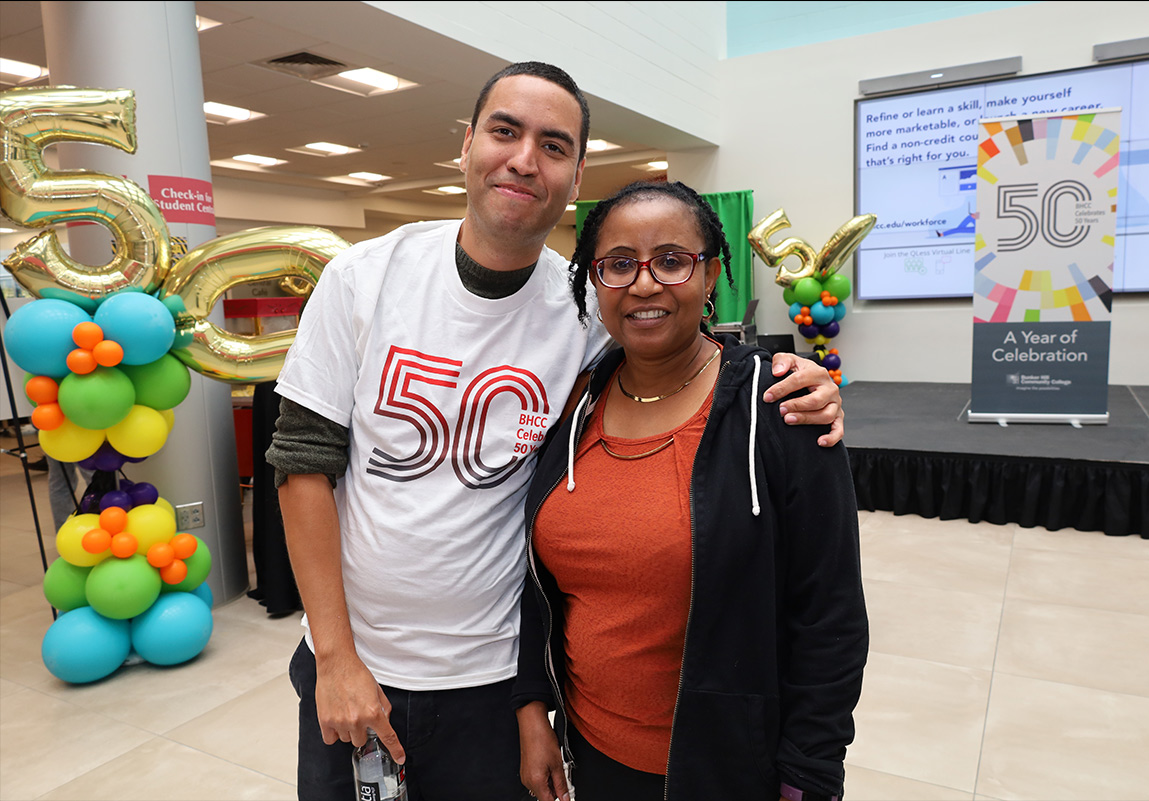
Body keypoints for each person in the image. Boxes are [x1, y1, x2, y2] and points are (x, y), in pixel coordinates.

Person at [267, 62, 846, 801]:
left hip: (495, 680)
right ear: (467, 143)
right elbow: (302, 466)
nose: (522, 158)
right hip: (356, 669)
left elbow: (678, 359)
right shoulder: (364, 277)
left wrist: (802, 383)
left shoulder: (585, 314)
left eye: (553, 144)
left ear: (575, 177)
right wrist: (337, 656)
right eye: (504, 131)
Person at [513, 181, 868, 801]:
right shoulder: (571, 407)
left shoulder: (780, 409)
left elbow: (830, 616)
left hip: (729, 768)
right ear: (594, 284)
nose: (644, 284)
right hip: (592, 754)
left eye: (673, 260)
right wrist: (532, 709)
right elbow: (540, 589)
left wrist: (809, 773)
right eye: (619, 264)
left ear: (712, 276)